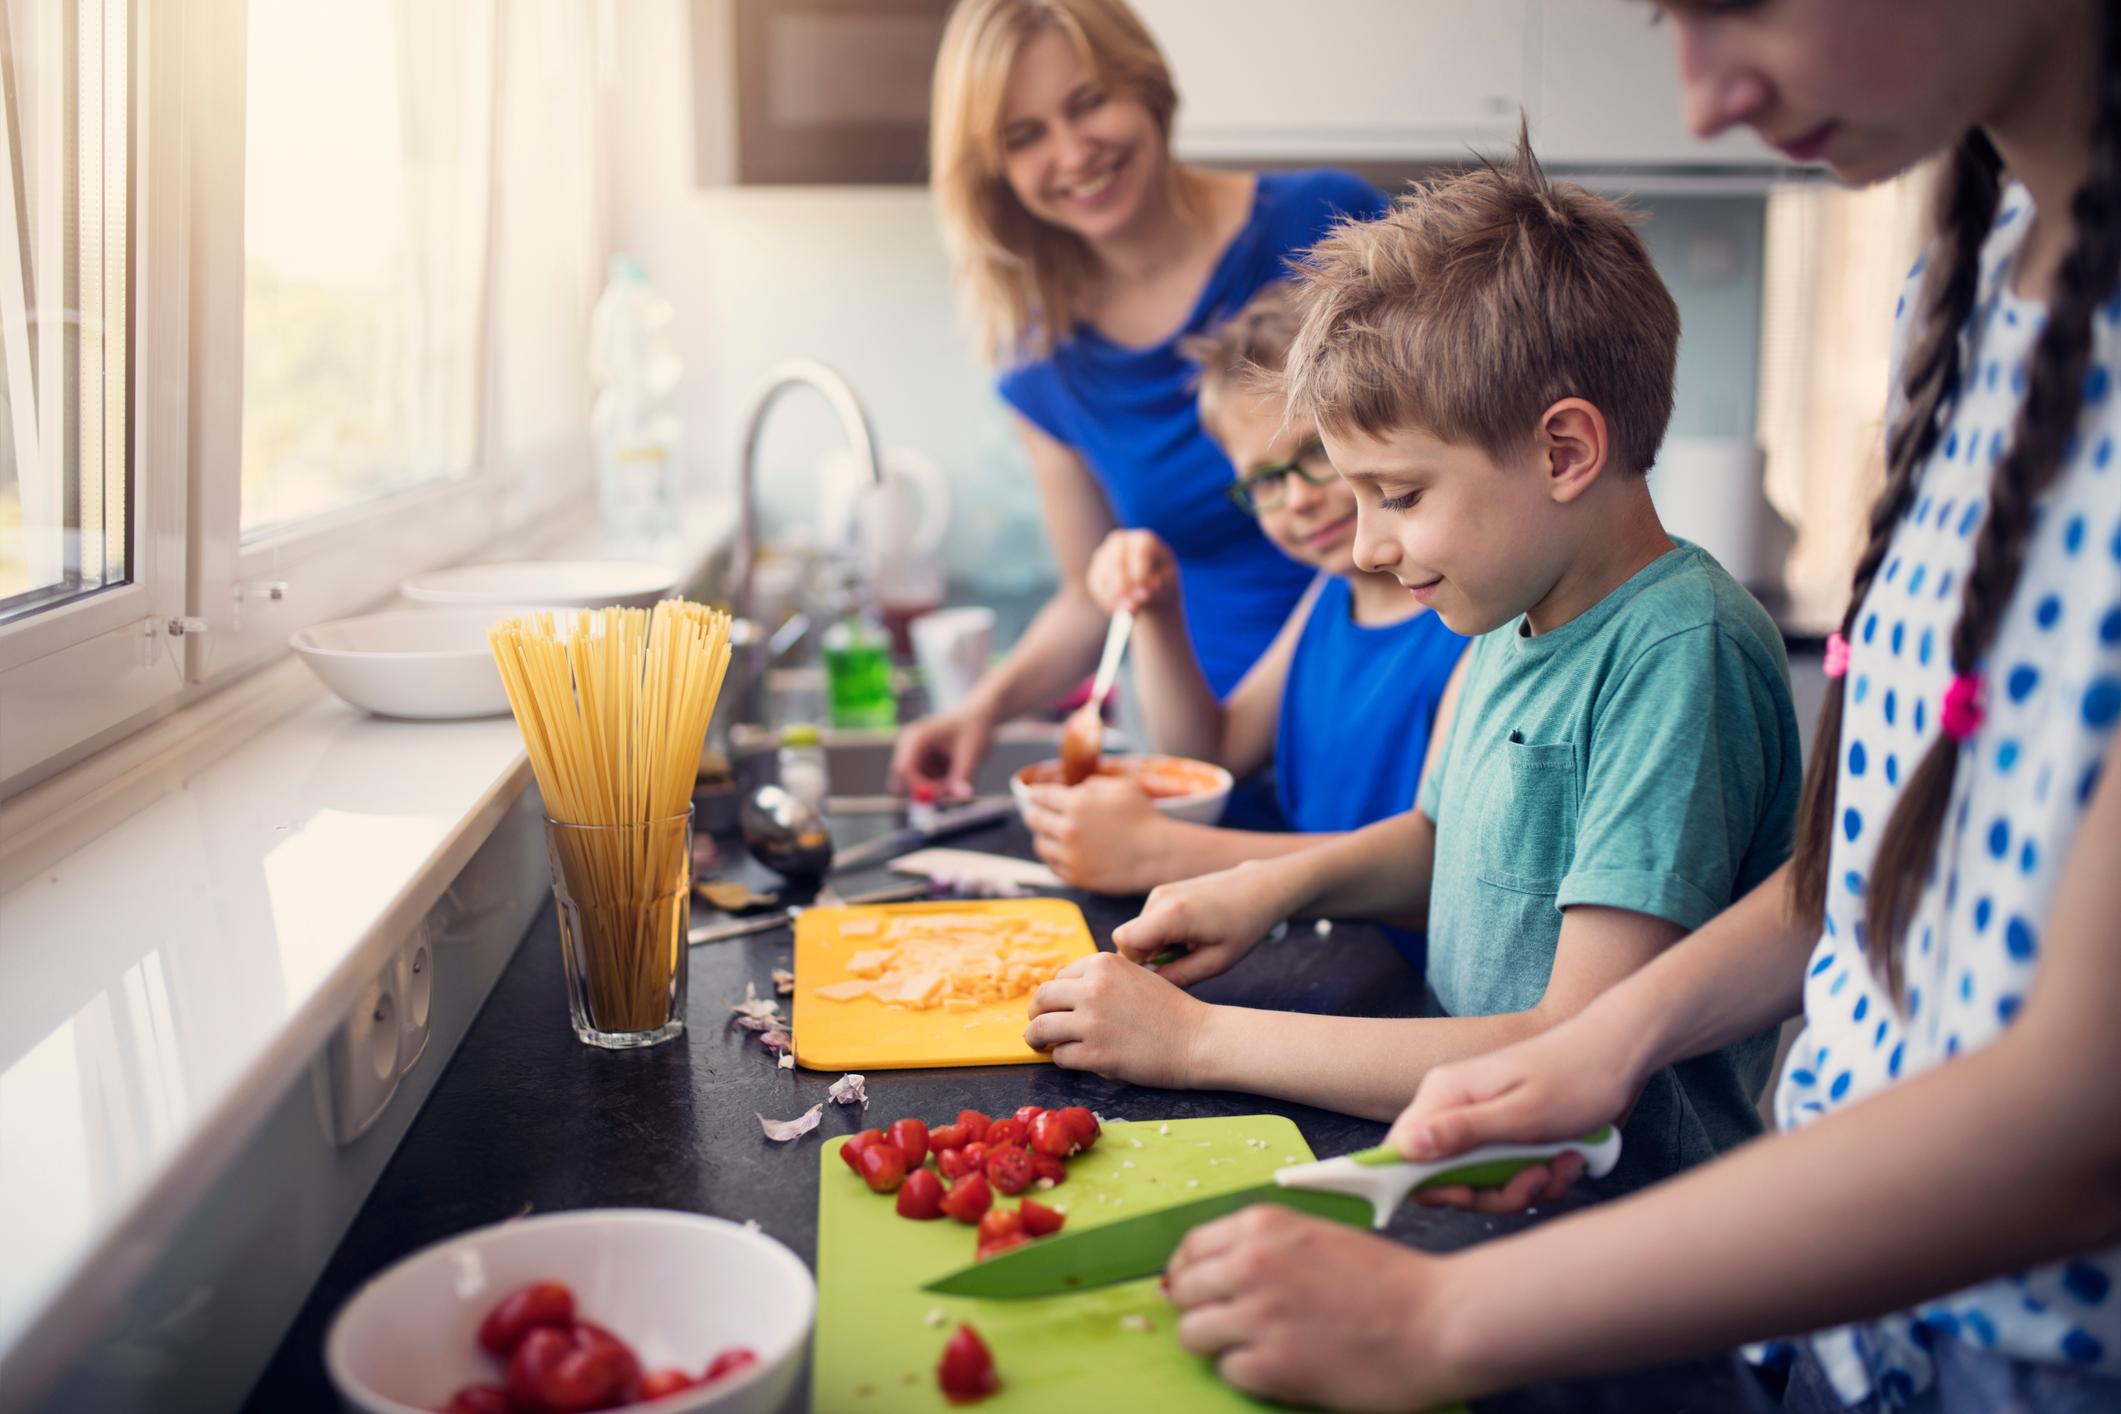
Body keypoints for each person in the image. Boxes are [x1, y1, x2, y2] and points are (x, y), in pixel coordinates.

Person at [1155, 3, 2121, 1411]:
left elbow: (2078, 1130)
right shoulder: (1958, 298)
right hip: (1834, 1323)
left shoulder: (1675, 641)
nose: (1702, 95)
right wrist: (1602, 1045)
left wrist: (1440, 1315)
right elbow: (1855, 883)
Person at [1025, 130, 1802, 1197]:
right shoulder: (1508, 612)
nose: (1367, 546)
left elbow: (1572, 1048)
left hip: (1608, 1218)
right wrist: (1264, 886)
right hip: (1465, 1160)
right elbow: (1446, 838)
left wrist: (1195, 1042)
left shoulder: (1676, 654)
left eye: (1399, 496)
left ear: (1564, 451)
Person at [891, 0, 1389, 803]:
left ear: (1146, 86)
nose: (1072, 153)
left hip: (1391, 703)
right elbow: (1091, 597)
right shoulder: (1042, 358)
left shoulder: (1325, 224)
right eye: (1024, 137)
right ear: (995, 171)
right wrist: (981, 710)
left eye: (1087, 102)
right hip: (1213, 754)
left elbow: (1451, 456)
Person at [1018, 282, 1466, 932]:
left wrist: (1163, 852)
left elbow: (1437, 866)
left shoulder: (1466, 619)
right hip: (1329, 947)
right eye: (1262, 480)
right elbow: (1213, 755)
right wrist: (1159, 610)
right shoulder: (1330, 596)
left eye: (1314, 454)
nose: (1296, 499)